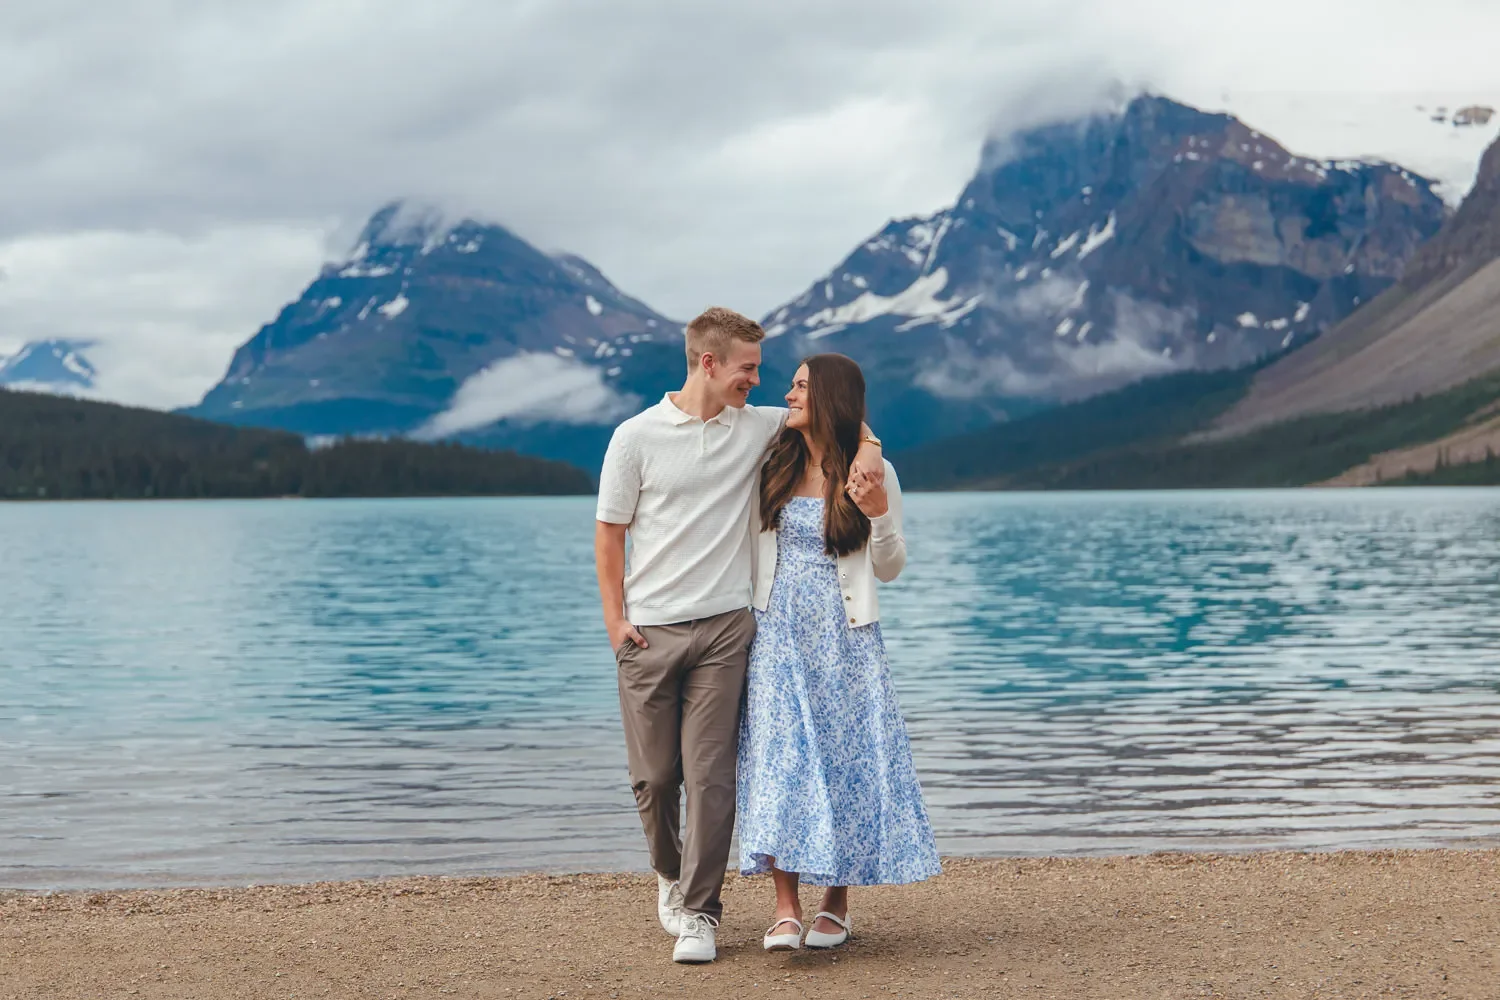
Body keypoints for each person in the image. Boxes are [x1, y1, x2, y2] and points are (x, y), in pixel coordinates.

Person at [594, 308, 885, 964]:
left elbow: (842, 417)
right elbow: (609, 534)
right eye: (749, 368)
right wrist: (615, 620)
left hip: (729, 627)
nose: (761, 380)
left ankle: (699, 913)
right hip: (649, 630)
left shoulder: (755, 427)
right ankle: (669, 877)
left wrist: (868, 450)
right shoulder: (635, 437)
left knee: (712, 776)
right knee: (654, 778)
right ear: (709, 364)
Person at [737, 352, 941, 953]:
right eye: (791, 384)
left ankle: (837, 901)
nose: (789, 393)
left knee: (846, 763)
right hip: (777, 635)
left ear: (827, 396)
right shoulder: (770, 457)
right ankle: (784, 907)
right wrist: (868, 436)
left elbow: (891, 567)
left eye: (802, 385)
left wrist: (878, 515)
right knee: (780, 763)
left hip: (847, 639)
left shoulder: (875, 474)